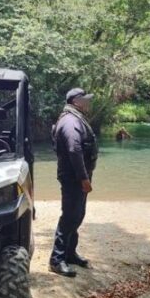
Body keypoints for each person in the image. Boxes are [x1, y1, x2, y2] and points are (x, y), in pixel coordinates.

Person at [49, 88, 98, 277]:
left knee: (77, 215)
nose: (88, 103)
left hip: (77, 177)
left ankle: (70, 253)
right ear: (76, 102)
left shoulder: (75, 118)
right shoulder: (70, 121)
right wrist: (83, 178)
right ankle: (56, 260)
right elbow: (74, 150)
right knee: (70, 216)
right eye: (86, 100)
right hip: (73, 178)